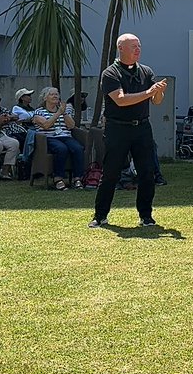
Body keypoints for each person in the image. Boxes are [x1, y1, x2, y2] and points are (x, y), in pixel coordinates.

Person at [89, 33, 167, 229]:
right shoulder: (110, 73)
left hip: (142, 127)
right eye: (133, 46)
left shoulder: (146, 71)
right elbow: (121, 100)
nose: (138, 49)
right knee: (111, 173)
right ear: (120, 48)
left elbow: (156, 102)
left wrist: (158, 92)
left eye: (139, 46)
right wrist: (149, 92)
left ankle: (146, 216)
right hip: (118, 128)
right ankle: (100, 216)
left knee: (147, 172)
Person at [33, 86, 86, 190]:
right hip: (49, 137)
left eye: (56, 94)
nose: (55, 96)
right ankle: (58, 178)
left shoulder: (63, 111)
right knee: (61, 149)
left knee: (78, 148)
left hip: (65, 136)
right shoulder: (39, 112)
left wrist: (64, 113)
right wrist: (58, 113)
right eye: (52, 94)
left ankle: (77, 178)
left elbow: (71, 125)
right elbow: (46, 125)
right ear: (45, 98)